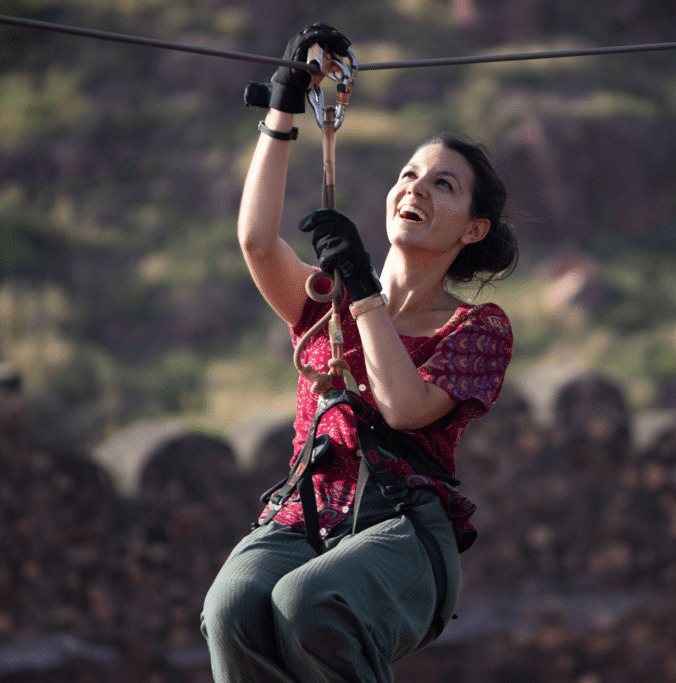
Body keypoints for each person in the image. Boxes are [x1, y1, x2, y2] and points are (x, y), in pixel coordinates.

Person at [201, 23, 517, 683]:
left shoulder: (477, 326)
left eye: (443, 186)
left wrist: (367, 290)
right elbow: (258, 243)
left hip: (400, 526)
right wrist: (283, 108)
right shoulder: (325, 297)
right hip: (304, 508)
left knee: (310, 602)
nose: (416, 189)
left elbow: (404, 407)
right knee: (231, 607)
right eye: (409, 175)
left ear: (474, 228)